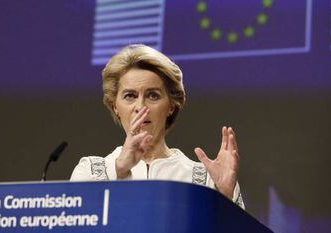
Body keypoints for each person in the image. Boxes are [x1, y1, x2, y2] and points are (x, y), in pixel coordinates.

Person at [70, 44, 244, 208]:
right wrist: (120, 172)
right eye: (130, 96)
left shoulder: (203, 180)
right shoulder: (90, 171)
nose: (140, 107)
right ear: (115, 106)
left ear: (171, 106)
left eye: (153, 95)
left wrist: (226, 196)